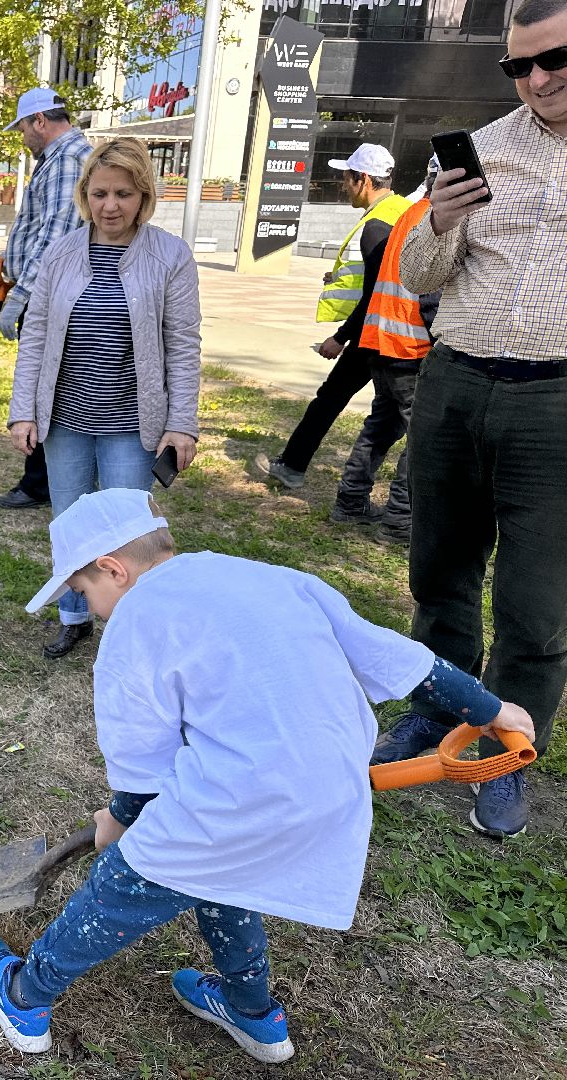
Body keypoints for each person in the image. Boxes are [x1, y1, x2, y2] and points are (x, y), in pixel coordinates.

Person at [0, 488, 536, 1063]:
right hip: (329, 792)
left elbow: (147, 773)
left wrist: (120, 823)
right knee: (227, 874)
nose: (88, 607)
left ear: (113, 570)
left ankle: (22, 995)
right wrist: (493, 711)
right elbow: (407, 661)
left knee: (121, 889)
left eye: (83, 592)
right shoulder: (274, 578)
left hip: (236, 796)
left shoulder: (134, 627)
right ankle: (253, 1013)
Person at [370, 0, 567, 838]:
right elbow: (417, 273)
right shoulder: (486, 147)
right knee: (441, 566)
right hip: (455, 382)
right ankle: (438, 705)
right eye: (518, 67)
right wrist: (441, 221)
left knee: (536, 598)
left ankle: (508, 746)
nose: (538, 79)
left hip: (556, 403)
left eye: (555, 58)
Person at [8, 138, 200, 659]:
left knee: (130, 530)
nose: (109, 206)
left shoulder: (170, 256)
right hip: (65, 419)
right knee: (69, 520)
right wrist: (22, 410)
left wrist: (182, 422)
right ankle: (75, 617)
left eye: (123, 193)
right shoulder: (62, 253)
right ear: (84, 196)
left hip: (131, 426)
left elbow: (183, 345)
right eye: (98, 193)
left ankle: (133, 623)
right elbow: (37, 335)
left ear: (144, 196)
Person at [252, 144, 411, 497]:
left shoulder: (376, 227)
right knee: (385, 418)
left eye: (346, 178)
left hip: (378, 334)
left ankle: (300, 470)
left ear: (364, 180)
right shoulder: (403, 210)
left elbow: (375, 293)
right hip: (398, 334)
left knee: (345, 406)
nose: (343, 185)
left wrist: (340, 337)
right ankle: (317, 478)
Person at [0, 88, 94, 512]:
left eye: (23, 129)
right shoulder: (56, 160)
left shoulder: (67, 161)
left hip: (51, 296)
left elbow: (56, 237)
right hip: (46, 291)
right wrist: (11, 260)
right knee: (49, 382)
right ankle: (48, 479)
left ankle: (39, 485)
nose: (23, 138)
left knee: (44, 384)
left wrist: (24, 294)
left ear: (40, 122)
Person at [331, 156, 441, 545]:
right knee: (421, 439)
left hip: (382, 345)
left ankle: (350, 502)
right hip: (413, 349)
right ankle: (399, 522)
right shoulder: (442, 222)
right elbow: (431, 298)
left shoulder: (410, 214)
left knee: (381, 427)